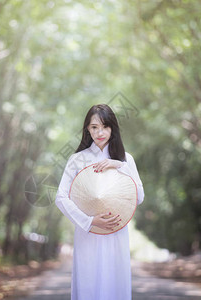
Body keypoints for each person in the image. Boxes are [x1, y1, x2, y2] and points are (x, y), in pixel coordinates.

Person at [55, 104, 145, 300]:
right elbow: (60, 197)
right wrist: (89, 221)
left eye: (104, 126)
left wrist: (119, 166)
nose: (99, 132)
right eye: (94, 127)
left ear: (113, 128)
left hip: (116, 232)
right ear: (87, 129)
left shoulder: (125, 160)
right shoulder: (77, 160)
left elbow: (139, 196)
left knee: (115, 284)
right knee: (89, 284)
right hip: (88, 234)